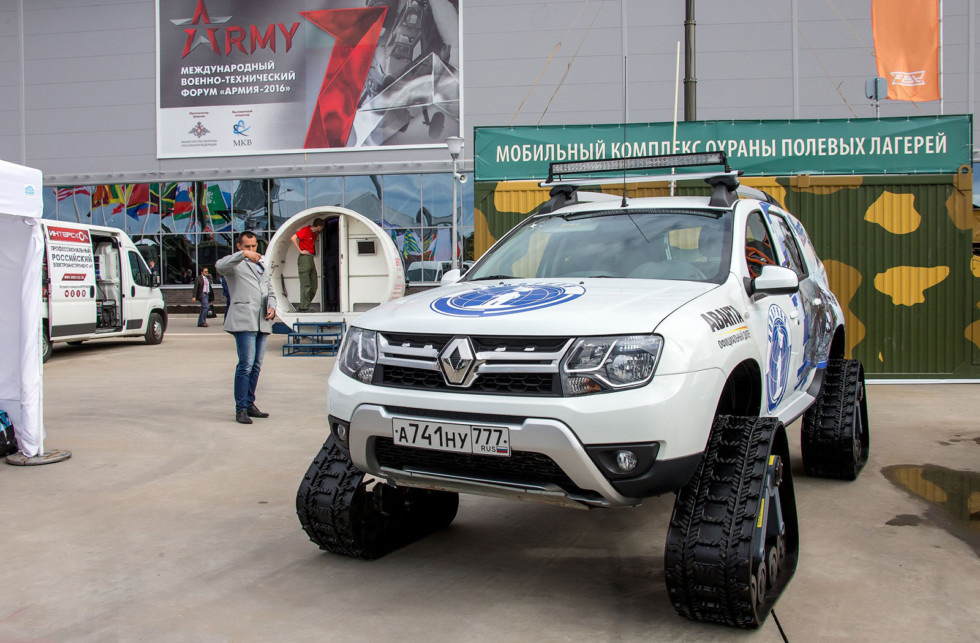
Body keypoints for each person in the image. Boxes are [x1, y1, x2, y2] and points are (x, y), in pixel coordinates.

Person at [216, 231, 277, 425]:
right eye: (247, 247)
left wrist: (273, 306)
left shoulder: (262, 265)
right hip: (244, 320)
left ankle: (250, 403)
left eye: (253, 246)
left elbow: (270, 290)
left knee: (256, 366)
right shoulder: (235, 265)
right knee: (245, 365)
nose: (251, 250)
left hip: (262, 320)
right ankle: (240, 408)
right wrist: (242, 256)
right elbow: (219, 266)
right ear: (239, 246)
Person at [290, 218, 324, 312]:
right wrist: (300, 250)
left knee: (314, 285)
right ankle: (304, 307)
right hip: (304, 258)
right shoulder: (305, 230)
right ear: (319, 226)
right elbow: (293, 238)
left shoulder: (313, 233)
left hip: (310, 258)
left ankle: (306, 305)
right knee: (306, 285)